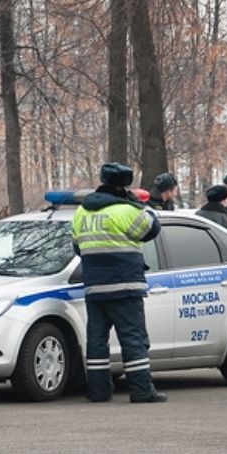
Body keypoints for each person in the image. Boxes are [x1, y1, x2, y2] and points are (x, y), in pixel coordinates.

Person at [72, 162, 165, 403]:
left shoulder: (81, 212)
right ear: (124, 186)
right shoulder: (125, 211)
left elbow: (77, 247)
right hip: (125, 286)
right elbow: (152, 228)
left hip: (94, 287)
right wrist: (138, 203)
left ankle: (99, 391)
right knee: (133, 338)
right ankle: (142, 390)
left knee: (97, 340)